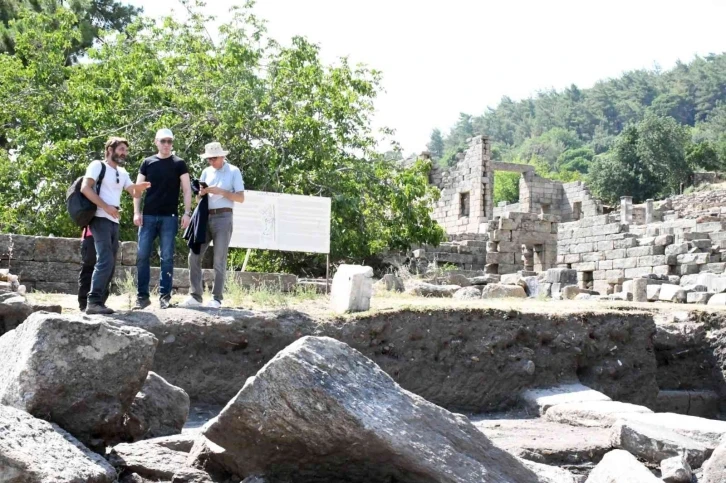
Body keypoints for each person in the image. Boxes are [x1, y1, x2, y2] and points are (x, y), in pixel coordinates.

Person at [80, 137, 151, 315]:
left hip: (113, 219)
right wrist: (106, 207)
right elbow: (85, 188)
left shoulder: (123, 172)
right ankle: (93, 301)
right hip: (99, 217)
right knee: (105, 259)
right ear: (110, 150)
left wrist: (141, 187)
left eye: (125, 150)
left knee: (110, 262)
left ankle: (100, 303)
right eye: (121, 149)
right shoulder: (97, 165)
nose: (124, 153)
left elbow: (132, 191)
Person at [133, 128, 192, 310]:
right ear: (156, 142)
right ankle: (142, 297)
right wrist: (136, 212)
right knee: (142, 255)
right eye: (163, 141)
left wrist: (187, 212)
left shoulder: (179, 163)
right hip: (148, 216)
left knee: (166, 257)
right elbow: (137, 189)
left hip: (170, 217)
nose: (167, 144)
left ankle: (164, 297)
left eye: (169, 141)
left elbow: (187, 189)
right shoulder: (147, 162)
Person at [181, 142, 244, 308]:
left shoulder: (233, 171)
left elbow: (240, 197)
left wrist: (220, 191)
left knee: (219, 258)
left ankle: (216, 298)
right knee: (193, 255)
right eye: (208, 158)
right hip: (205, 216)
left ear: (222, 156)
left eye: (214, 158)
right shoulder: (206, 172)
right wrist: (201, 193)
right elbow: (199, 199)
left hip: (224, 216)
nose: (211, 161)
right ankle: (195, 296)